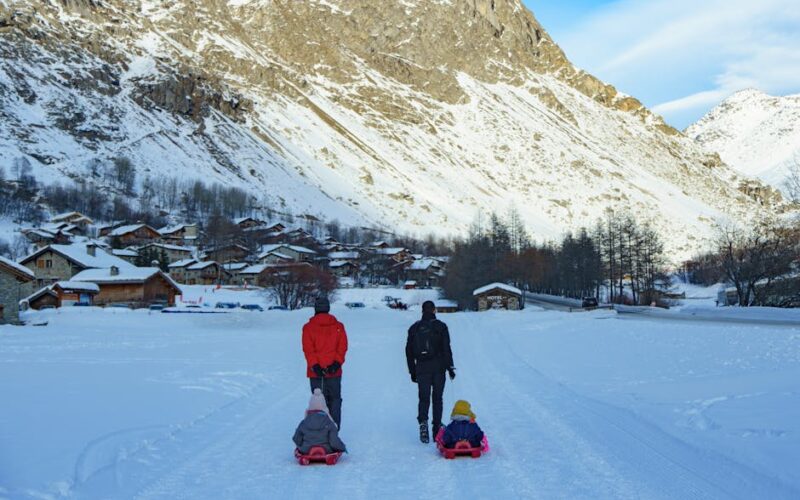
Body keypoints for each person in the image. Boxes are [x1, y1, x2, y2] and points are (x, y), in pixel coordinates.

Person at [406, 300, 455, 443]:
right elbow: (446, 348)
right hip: (439, 368)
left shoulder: (414, 328)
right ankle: (437, 429)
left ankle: (423, 425)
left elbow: (408, 352)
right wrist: (450, 367)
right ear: (434, 310)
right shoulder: (441, 326)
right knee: (437, 398)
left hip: (422, 368)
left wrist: (412, 371)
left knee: (424, 398)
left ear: (422, 311)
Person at [302, 296, 348, 429]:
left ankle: (318, 432)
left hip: (316, 373)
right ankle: (334, 430)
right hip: (334, 372)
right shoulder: (339, 326)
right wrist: (336, 364)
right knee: (335, 400)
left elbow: (308, 349)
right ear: (328, 308)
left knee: (318, 402)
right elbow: (342, 347)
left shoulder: (308, 327)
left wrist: (315, 366)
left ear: (315, 309)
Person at [293, 388, 347, 454]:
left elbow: (296, 439)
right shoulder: (329, 422)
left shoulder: (304, 423)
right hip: (326, 449)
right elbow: (334, 441)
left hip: (306, 450)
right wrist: (342, 447)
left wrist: (301, 445)